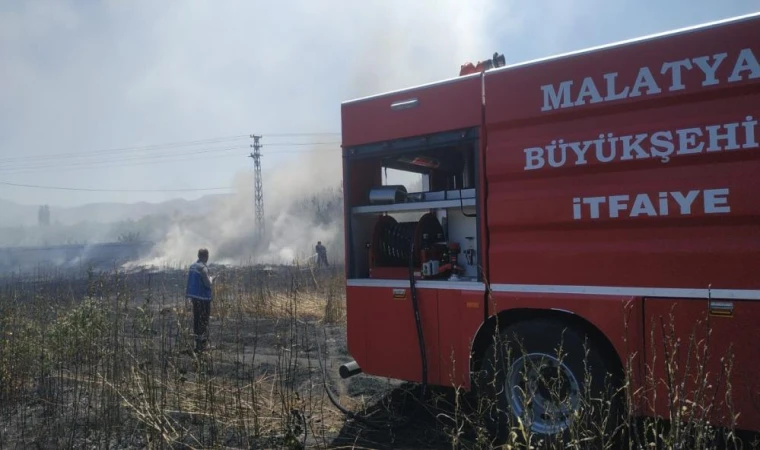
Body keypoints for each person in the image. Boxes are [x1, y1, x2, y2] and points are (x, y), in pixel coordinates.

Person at [186, 248, 213, 352]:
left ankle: (197, 344)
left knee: (196, 320)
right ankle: (203, 345)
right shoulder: (203, 268)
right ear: (206, 256)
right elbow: (207, 283)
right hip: (203, 299)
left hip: (194, 298)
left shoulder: (192, 267)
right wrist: (212, 280)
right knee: (204, 321)